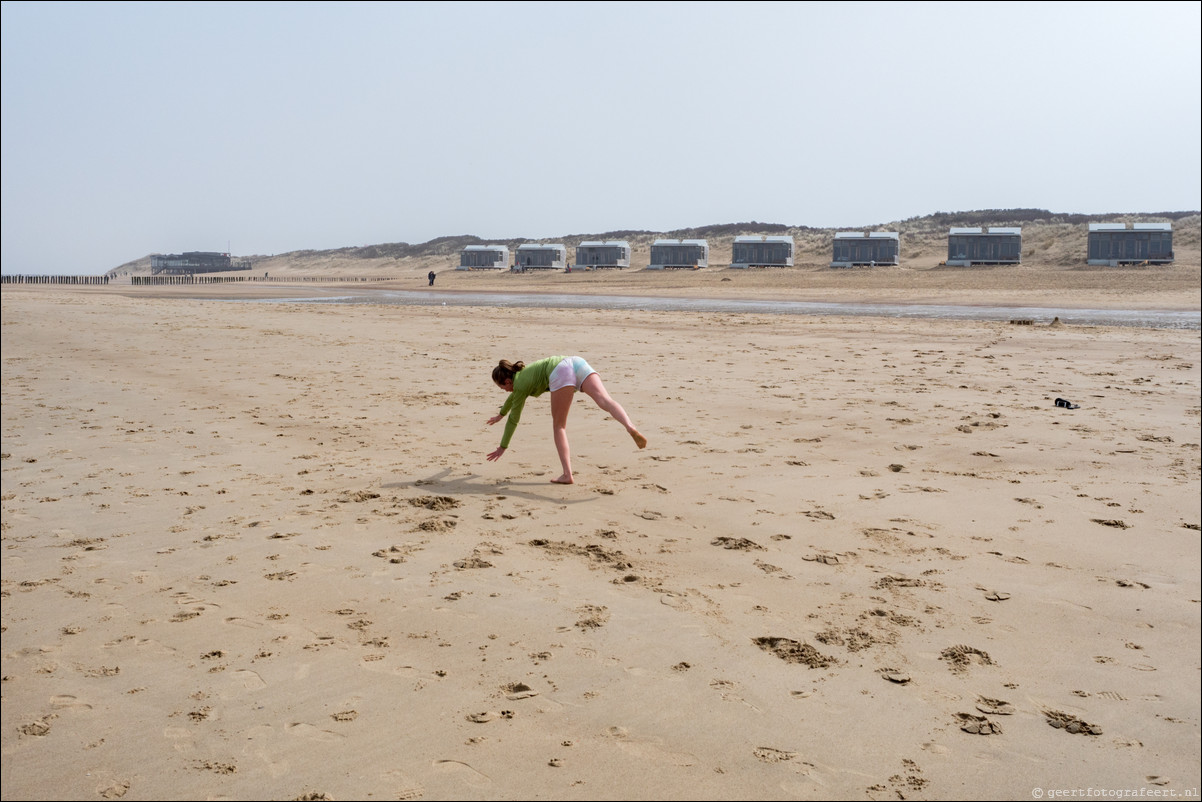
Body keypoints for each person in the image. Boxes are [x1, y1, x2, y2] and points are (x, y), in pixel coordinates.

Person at [486, 356, 646, 484]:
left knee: (559, 427)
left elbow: (514, 418)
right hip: (576, 362)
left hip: (560, 372)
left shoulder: (520, 385)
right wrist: (501, 414)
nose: (506, 391)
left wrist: (503, 447)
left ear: (507, 381)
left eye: (503, 388)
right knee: (605, 400)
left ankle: (567, 474)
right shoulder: (523, 375)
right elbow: (513, 399)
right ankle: (629, 425)